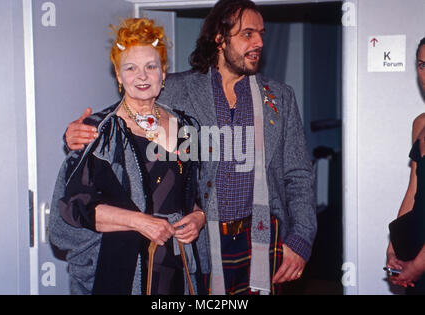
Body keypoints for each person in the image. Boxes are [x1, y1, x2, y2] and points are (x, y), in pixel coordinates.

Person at [64, 0, 317, 295]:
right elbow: (125, 113)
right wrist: (76, 134)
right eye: (248, 34)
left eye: (261, 33)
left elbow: (299, 174)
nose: (259, 42)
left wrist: (300, 240)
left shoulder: (280, 98)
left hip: (262, 241)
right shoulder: (175, 89)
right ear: (220, 38)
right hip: (198, 243)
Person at [49, 18, 208, 295]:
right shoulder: (99, 132)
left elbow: (196, 192)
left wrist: (199, 217)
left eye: (151, 66)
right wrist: (141, 222)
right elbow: (75, 210)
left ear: (164, 72)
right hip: (120, 269)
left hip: (176, 268)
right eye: (131, 68)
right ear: (119, 76)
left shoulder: (188, 127)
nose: (142, 76)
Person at [386, 37, 425, 295]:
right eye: (422, 65)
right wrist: (394, 246)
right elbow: (413, 191)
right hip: (415, 250)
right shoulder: (420, 124)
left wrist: (419, 265)